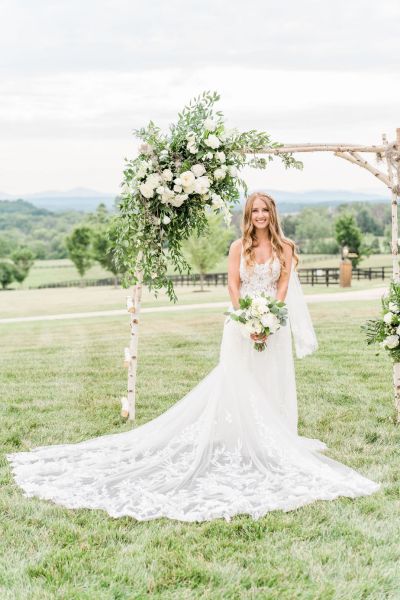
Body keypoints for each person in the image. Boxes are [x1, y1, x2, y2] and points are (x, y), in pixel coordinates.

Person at [7, 192, 380, 522]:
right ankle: (240, 438)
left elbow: (282, 287)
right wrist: (247, 318)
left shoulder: (286, 247)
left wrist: (270, 321)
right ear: (248, 215)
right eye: (254, 211)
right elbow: (233, 285)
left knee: (271, 380)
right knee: (237, 381)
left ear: (273, 214)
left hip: (273, 328)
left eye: (265, 210)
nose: (260, 216)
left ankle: (273, 439)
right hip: (240, 325)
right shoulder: (239, 247)